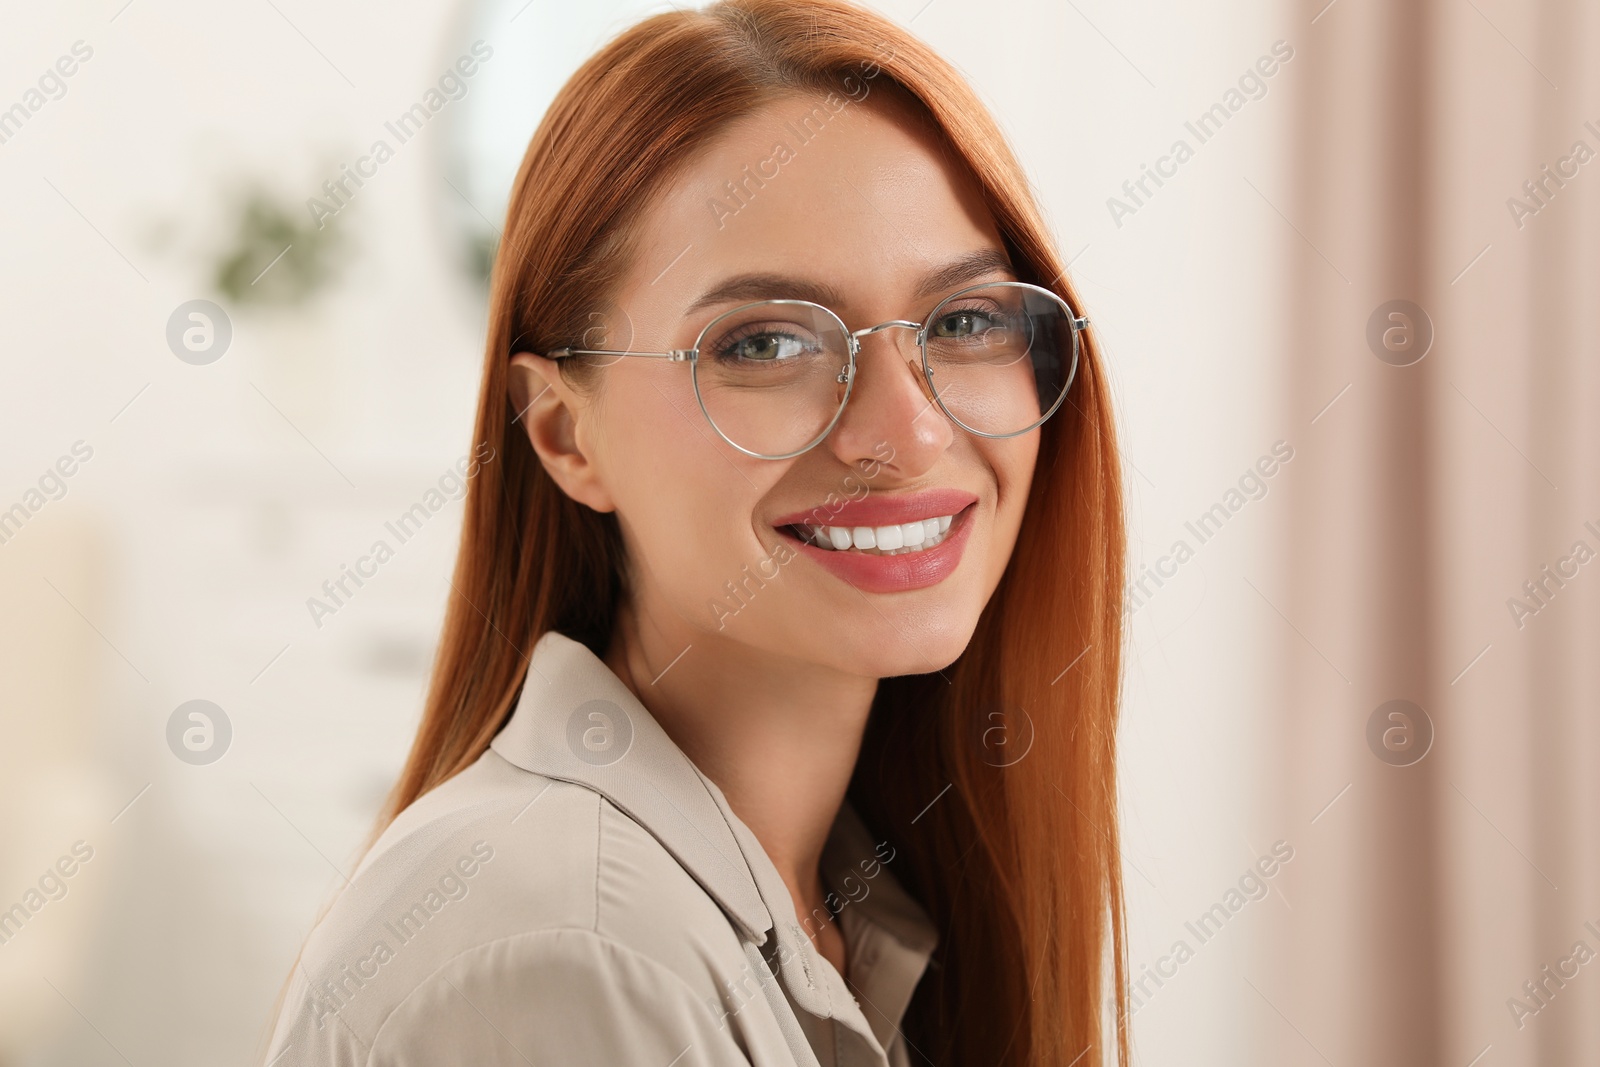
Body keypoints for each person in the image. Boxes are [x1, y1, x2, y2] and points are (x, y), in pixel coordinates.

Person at [262, 1, 1129, 1063]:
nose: (906, 430)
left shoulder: (844, 904)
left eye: (962, 321)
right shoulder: (570, 955)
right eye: (765, 340)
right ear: (564, 434)